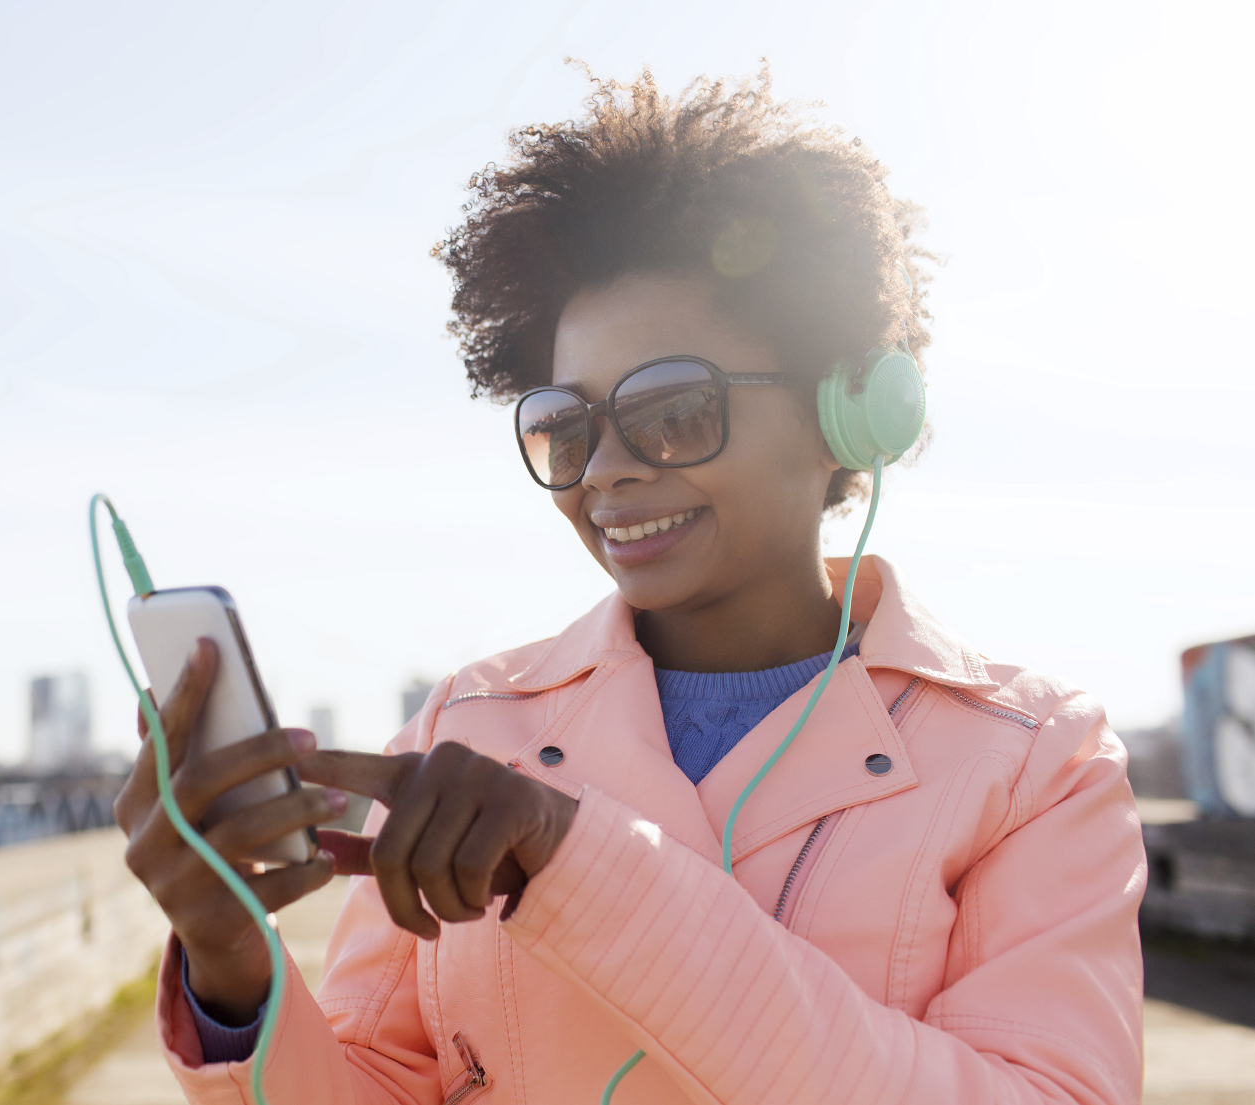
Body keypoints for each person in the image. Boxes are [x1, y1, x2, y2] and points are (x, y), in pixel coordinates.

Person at [116, 69, 1145, 1105]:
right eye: (565, 424)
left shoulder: (1033, 762)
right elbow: (381, 1079)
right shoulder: (465, 725)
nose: (604, 467)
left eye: (672, 408)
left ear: (848, 411)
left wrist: (576, 860)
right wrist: (235, 977)